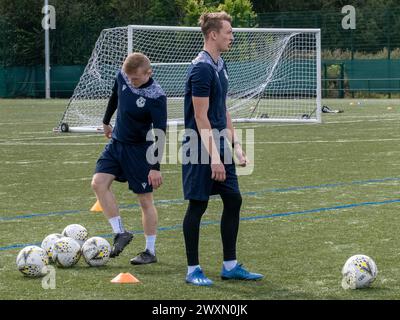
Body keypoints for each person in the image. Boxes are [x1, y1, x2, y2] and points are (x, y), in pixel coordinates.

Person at [182, 11, 264, 286]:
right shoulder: (201, 68)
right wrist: (215, 158)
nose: (232, 36)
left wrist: (236, 146)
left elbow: (223, 109)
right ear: (213, 34)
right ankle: (193, 269)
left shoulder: (220, 65)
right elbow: (201, 116)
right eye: (228, 32)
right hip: (199, 145)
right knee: (198, 205)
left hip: (219, 145)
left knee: (234, 199)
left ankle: (230, 266)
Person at [91, 52, 167, 265]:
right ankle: (120, 233)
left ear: (148, 73)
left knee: (145, 201)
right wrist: (106, 120)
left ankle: (149, 251)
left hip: (140, 151)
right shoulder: (123, 76)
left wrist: (155, 166)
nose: (131, 82)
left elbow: (160, 131)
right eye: (129, 78)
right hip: (116, 144)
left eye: (136, 79)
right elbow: (116, 95)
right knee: (98, 183)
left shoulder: (156, 95)